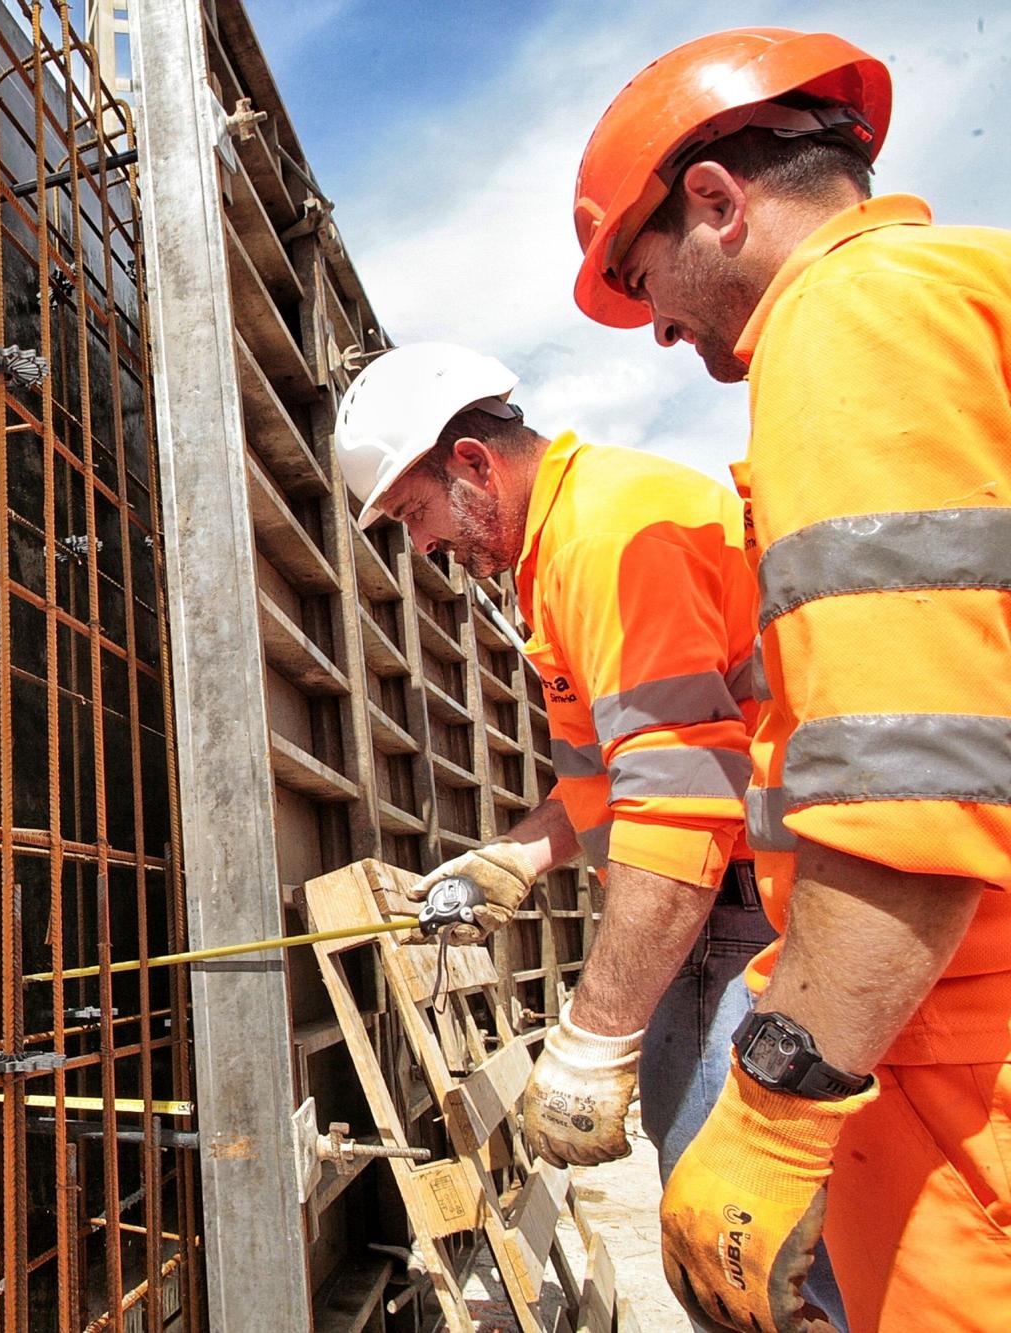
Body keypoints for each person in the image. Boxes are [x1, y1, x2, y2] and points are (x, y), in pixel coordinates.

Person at [573, 27, 1011, 1332]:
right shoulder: (954, 293)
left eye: (646, 277)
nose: (654, 328)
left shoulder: (852, 319)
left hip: (962, 1078)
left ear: (715, 201)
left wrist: (773, 1110)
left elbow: (910, 787)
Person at [336, 341, 844, 1329]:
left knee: (742, 1243)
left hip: (751, 921)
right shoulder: (558, 558)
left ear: (473, 465)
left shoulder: (605, 536)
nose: (424, 547)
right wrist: (513, 857)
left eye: (413, 514)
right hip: (724, 920)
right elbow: (602, 783)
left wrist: (591, 1037)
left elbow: (678, 801)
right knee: (728, 1239)